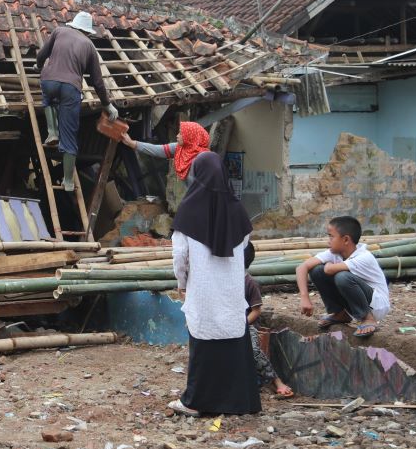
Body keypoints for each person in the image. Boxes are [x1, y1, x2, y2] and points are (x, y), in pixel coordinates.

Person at [166, 150, 260, 417]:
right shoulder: (238, 211)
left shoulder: (188, 211)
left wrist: (182, 284)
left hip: (203, 288)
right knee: (233, 343)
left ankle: (194, 402)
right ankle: (240, 402)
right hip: (231, 289)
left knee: (203, 346)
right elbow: (243, 248)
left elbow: (180, 256)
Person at [35, 11, 118, 192]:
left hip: (48, 81)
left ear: (73, 25)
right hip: (71, 89)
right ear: (87, 31)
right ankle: (68, 181)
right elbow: (97, 81)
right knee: (70, 136)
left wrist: (39, 66)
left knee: (48, 99)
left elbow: (42, 54)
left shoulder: (58, 31)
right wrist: (107, 104)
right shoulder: (89, 45)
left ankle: (51, 132)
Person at [296, 215, 391, 339]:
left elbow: (330, 269)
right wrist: (304, 298)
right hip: (355, 301)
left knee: (342, 277)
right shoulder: (335, 253)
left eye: (331, 236)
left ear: (346, 240)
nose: (328, 241)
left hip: (376, 305)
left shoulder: (364, 257)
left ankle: (368, 319)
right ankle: (340, 314)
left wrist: (328, 266)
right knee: (316, 271)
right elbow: (301, 268)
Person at [243, 243, 293, 398]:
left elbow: (256, 311)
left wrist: (241, 325)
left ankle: (277, 381)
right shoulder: (220, 280)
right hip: (225, 325)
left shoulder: (249, 283)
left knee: (254, 351)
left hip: (246, 325)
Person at [121, 120, 211, 187]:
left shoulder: (203, 160)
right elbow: (158, 150)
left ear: (190, 137)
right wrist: (131, 143)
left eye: (181, 133)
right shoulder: (180, 148)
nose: (177, 135)